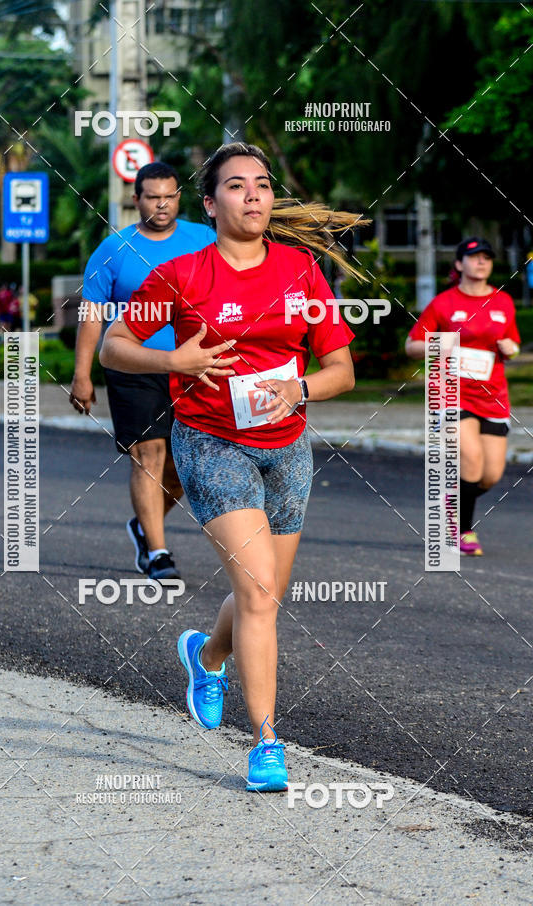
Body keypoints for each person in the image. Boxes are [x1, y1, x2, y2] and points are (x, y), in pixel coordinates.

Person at [100, 142, 365, 792]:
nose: (253, 195)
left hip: (287, 447)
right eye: (237, 186)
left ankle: (206, 654)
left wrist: (298, 388)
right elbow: (115, 344)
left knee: (266, 594)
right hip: (210, 441)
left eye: (263, 184)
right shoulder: (183, 275)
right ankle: (267, 742)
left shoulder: (301, 271)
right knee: (256, 595)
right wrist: (173, 363)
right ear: (210, 203)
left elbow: (342, 369)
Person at [69, 162, 215, 581]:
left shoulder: (203, 239)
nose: (162, 204)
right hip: (134, 364)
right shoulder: (112, 250)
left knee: (187, 461)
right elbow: (92, 316)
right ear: (137, 201)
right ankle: (158, 552)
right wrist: (82, 374)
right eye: (153, 196)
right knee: (148, 454)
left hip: (195, 365)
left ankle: (144, 522)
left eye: (169, 195)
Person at [406, 237, 521, 555]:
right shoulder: (443, 304)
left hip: (493, 397)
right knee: (470, 460)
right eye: (473, 257)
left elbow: (511, 342)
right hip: (453, 395)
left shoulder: (503, 302)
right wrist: (436, 344)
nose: (481, 262)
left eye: (486, 257)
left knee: (490, 475)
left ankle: (451, 499)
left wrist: (511, 348)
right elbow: (411, 345)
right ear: (459, 264)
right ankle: (464, 532)